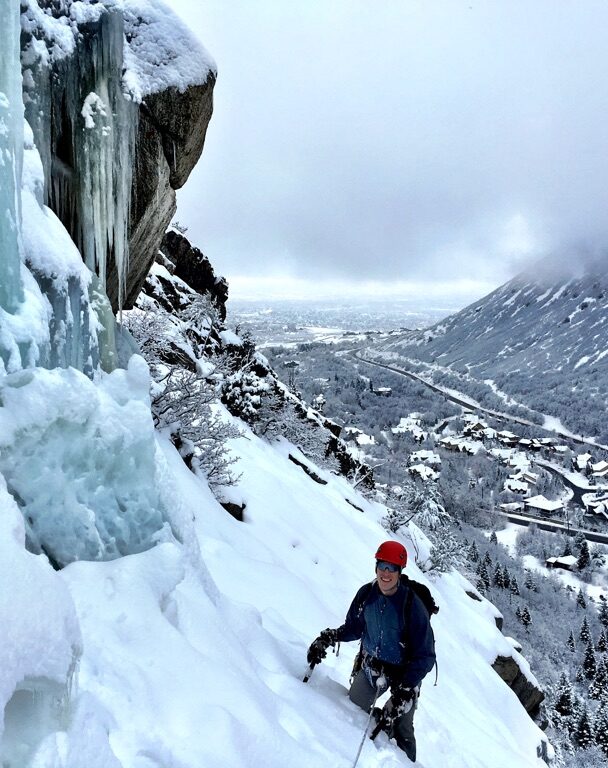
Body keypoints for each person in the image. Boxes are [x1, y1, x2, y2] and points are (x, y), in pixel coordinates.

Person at [306, 540, 436, 763]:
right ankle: (377, 720)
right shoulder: (367, 595)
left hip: (405, 675)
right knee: (352, 709)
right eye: (382, 566)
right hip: (372, 666)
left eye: (392, 568)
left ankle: (406, 761)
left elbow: (425, 655)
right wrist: (329, 637)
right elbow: (354, 628)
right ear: (376, 567)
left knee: (403, 729)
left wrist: (404, 691)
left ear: (399, 571)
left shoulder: (412, 605)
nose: (386, 573)